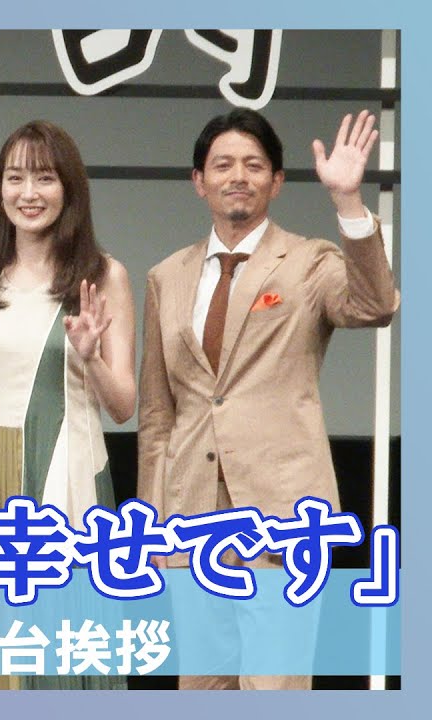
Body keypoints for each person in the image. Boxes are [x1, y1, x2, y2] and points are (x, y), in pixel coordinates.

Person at [137, 109, 398, 689]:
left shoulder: (310, 261)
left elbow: (375, 305)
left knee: (274, 688)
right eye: (223, 165)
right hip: (191, 516)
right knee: (202, 689)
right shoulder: (166, 276)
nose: (238, 176)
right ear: (198, 181)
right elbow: (157, 415)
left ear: (276, 182)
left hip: (280, 512)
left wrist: (348, 202)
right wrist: (151, 522)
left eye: (254, 165)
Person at [0, 120, 135, 690]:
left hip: (70, 470)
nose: (29, 193)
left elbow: (123, 405)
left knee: (66, 648)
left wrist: (91, 357)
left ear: (68, 188)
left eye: (45, 178)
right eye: (15, 177)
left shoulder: (103, 276)